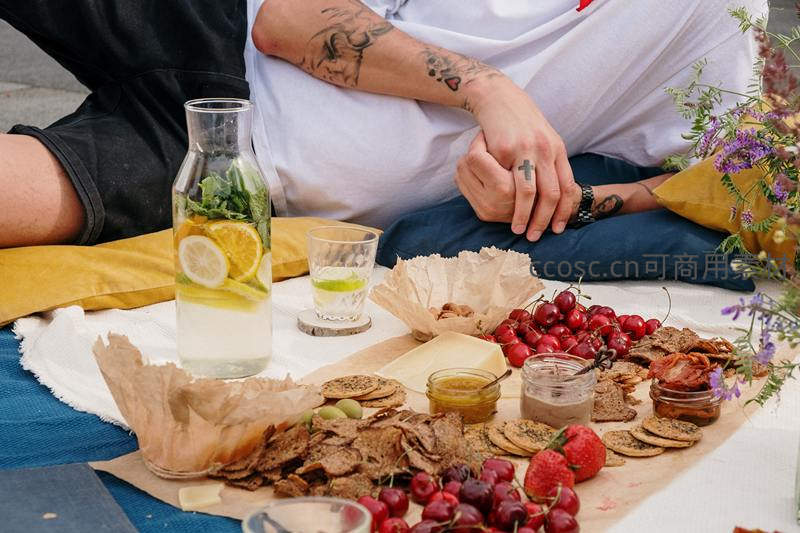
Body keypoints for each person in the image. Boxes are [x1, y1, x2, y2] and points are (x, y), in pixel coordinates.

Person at [0, 0, 765, 251]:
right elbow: (285, 20)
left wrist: (574, 198)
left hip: (244, 170)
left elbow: (741, 183)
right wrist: (484, 87)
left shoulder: (712, 18)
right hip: (215, 23)